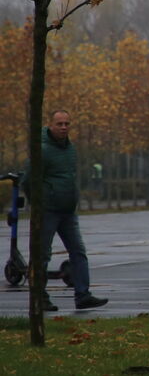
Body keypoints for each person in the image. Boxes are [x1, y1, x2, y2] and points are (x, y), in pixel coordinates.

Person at [33, 110, 106, 312]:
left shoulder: (70, 148)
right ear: (51, 125)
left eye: (67, 123)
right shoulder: (42, 150)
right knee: (42, 255)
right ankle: (40, 297)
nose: (64, 127)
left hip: (68, 211)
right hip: (48, 211)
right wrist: (39, 203)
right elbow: (30, 179)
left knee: (78, 252)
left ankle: (83, 295)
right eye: (60, 124)